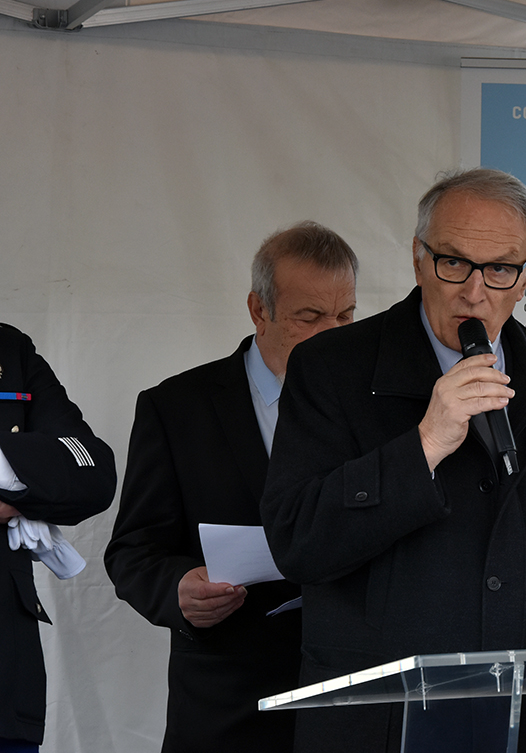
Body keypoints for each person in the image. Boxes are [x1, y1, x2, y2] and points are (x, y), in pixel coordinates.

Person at [260, 168, 526, 753]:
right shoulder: (330, 367)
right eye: (454, 263)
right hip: (386, 724)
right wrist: (425, 444)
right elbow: (298, 541)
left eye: (500, 269)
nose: (474, 291)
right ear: (418, 259)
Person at [104, 221, 358, 753]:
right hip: (227, 706)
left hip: (353, 698)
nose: (332, 335)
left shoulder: (380, 407)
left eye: (345, 316)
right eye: (309, 317)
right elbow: (133, 550)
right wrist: (178, 590)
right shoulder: (177, 408)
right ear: (258, 310)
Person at [0, 324, 116, 752]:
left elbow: (92, 470)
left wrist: (6, 475)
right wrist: (22, 479)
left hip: (5, 681)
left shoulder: (9, 349)